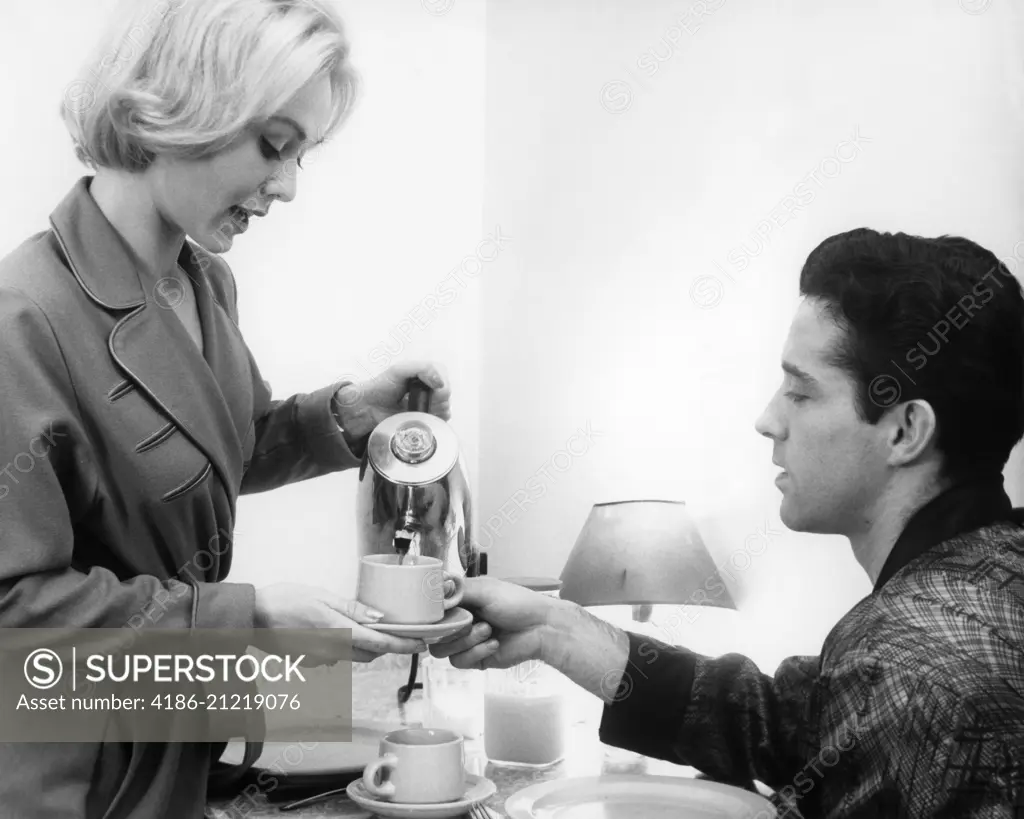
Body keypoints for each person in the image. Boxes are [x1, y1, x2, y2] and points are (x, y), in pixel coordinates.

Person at [0, 0, 443, 816]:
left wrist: (345, 415)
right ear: (176, 105)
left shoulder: (203, 282)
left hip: (178, 713)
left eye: (301, 155)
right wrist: (253, 616)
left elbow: (202, 453)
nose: (286, 185)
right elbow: (12, 617)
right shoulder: (21, 319)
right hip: (71, 757)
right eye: (273, 145)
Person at [435, 229, 1024, 818]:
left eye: (801, 391)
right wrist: (552, 628)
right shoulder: (988, 575)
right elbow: (783, 727)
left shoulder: (915, 665)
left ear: (904, 431)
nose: (768, 419)